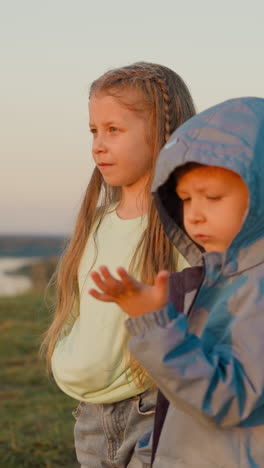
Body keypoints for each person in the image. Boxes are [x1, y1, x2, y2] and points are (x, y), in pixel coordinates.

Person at [89, 97, 264, 467]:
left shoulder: (258, 289)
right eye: (184, 198)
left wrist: (156, 325)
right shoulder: (213, 279)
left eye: (213, 197)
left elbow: (227, 398)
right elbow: (179, 403)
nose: (195, 215)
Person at [41, 62, 196, 468]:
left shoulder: (187, 226)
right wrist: (67, 352)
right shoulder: (95, 223)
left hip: (156, 411)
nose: (98, 145)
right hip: (89, 417)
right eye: (94, 131)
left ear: (162, 131)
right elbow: (78, 307)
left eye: (114, 129)